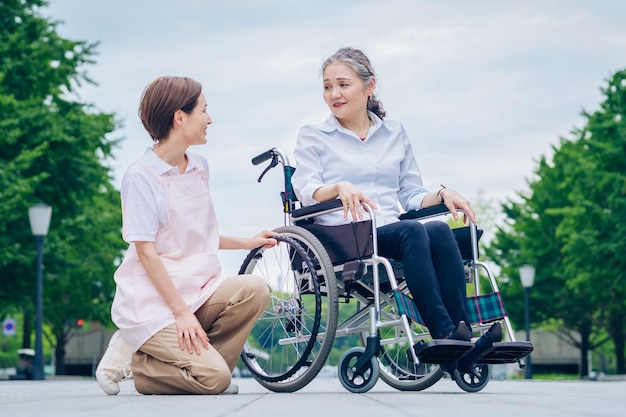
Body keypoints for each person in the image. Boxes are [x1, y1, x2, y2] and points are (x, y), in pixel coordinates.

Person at [95, 76, 277, 395]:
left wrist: (247, 242)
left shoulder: (198, 166)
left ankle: (205, 370)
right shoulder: (140, 177)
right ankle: (139, 362)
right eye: (204, 110)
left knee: (254, 289)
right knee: (215, 381)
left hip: (198, 291)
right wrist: (180, 313)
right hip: (152, 304)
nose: (210, 119)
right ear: (180, 118)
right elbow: (147, 253)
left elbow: (198, 234)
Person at [292, 47, 476, 342]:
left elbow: (410, 192)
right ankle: (443, 333)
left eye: (343, 84)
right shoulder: (314, 136)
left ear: (370, 86)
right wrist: (338, 187)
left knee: (440, 230)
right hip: (344, 236)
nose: (334, 94)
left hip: (392, 232)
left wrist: (443, 194)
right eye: (327, 87)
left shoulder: (394, 133)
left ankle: (461, 333)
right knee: (412, 231)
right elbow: (306, 190)